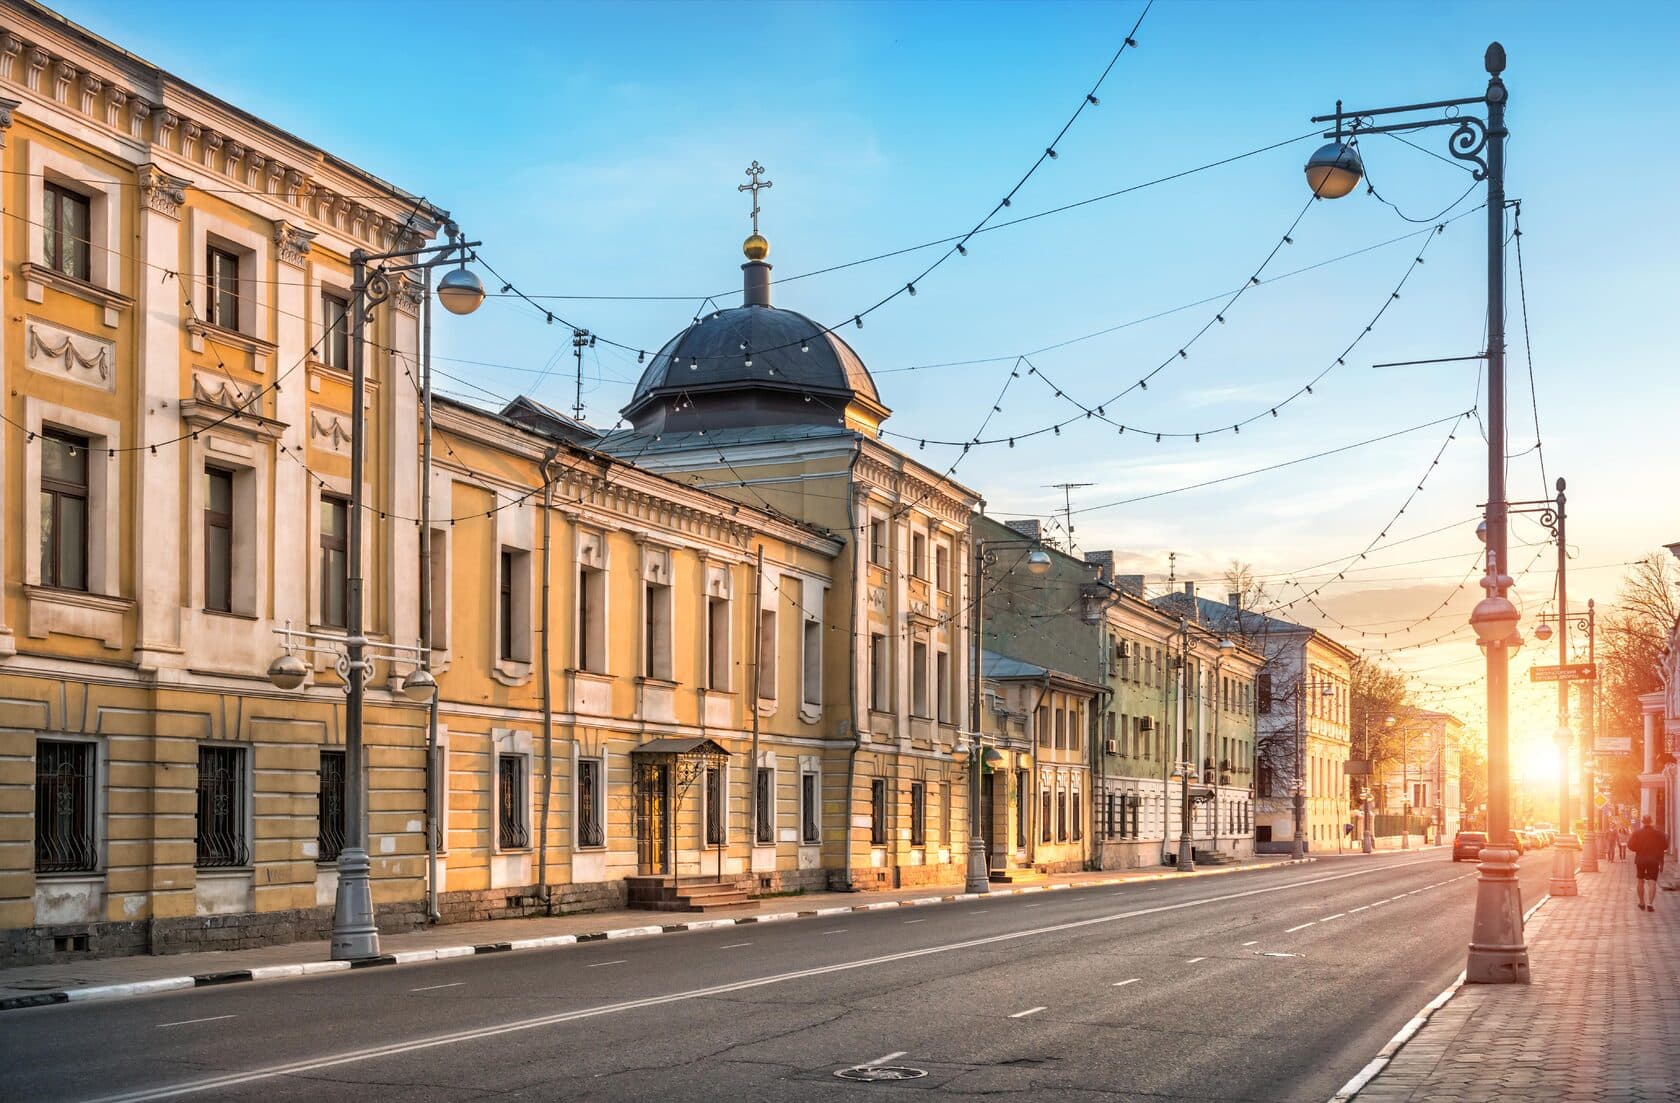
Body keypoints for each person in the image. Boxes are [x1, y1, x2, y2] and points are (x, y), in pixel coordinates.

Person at [1628, 815, 1669, 912]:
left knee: (1640, 880)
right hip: (1654, 860)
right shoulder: (1659, 834)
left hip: (1640, 860)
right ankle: (1650, 904)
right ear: (1651, 822)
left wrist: (1638, 849)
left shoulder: (1637, 833)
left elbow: (1630, 845)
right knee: (1652, 881)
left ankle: (1642, 902)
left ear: (1642, 822)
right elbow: (1665, 846)